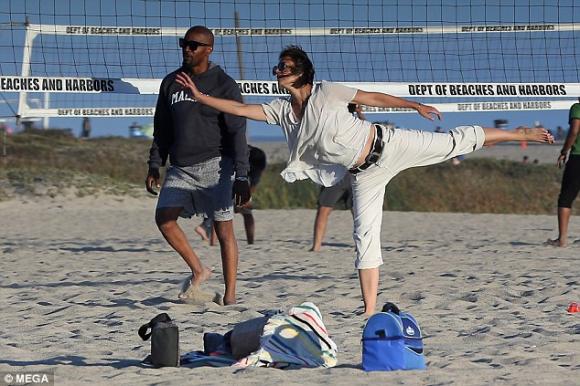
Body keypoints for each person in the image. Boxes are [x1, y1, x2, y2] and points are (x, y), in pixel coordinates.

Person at [175, 45, 554, 315]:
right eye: (277, 66)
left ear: (302, 72)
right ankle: (370, 307)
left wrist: (414, 105)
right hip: (363, 174)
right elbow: (240, 108)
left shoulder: (329, 92)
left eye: (285, 66)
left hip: (389, 145)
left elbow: (374, 97)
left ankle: (517, 132)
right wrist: (200, 96)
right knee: (364, 236)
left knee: (453, 142)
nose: (278, 71)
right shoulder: (281, 111)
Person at [145, 25, 251, 305]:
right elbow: (162, 129)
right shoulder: (171, 83)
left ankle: (230, 296)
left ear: (208, 49)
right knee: (164, 219)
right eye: (184, 44)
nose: (187, 49)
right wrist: (155, 164)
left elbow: (237, 131)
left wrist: (243, 176)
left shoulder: (224, 84)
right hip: (181, 168)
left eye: (193, 45)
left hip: (217, 166)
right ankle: (198, 269)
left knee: (224, 231)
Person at [310, 103, 364, 252]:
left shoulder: (356, 127)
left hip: (353, 173)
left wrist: (359, 113)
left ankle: (361, 245)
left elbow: (365, 130)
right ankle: (316, 246)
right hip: (334, 174)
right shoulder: (332, 126)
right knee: (324, 209)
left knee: (358, 212)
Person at [195, 144, 267, 245]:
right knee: (244, 212)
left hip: (223, 170)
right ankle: (250, 242)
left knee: (219, 209)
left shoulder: (241, 152)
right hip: (228, 172)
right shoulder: (254, 163)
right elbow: (253, 185)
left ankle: (211, 239)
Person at [545, 97, 580, 247]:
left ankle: (562, 239)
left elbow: (574, 131)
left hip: (578, 157)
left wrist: (564, 151)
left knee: (565, 198)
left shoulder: (577, 107)